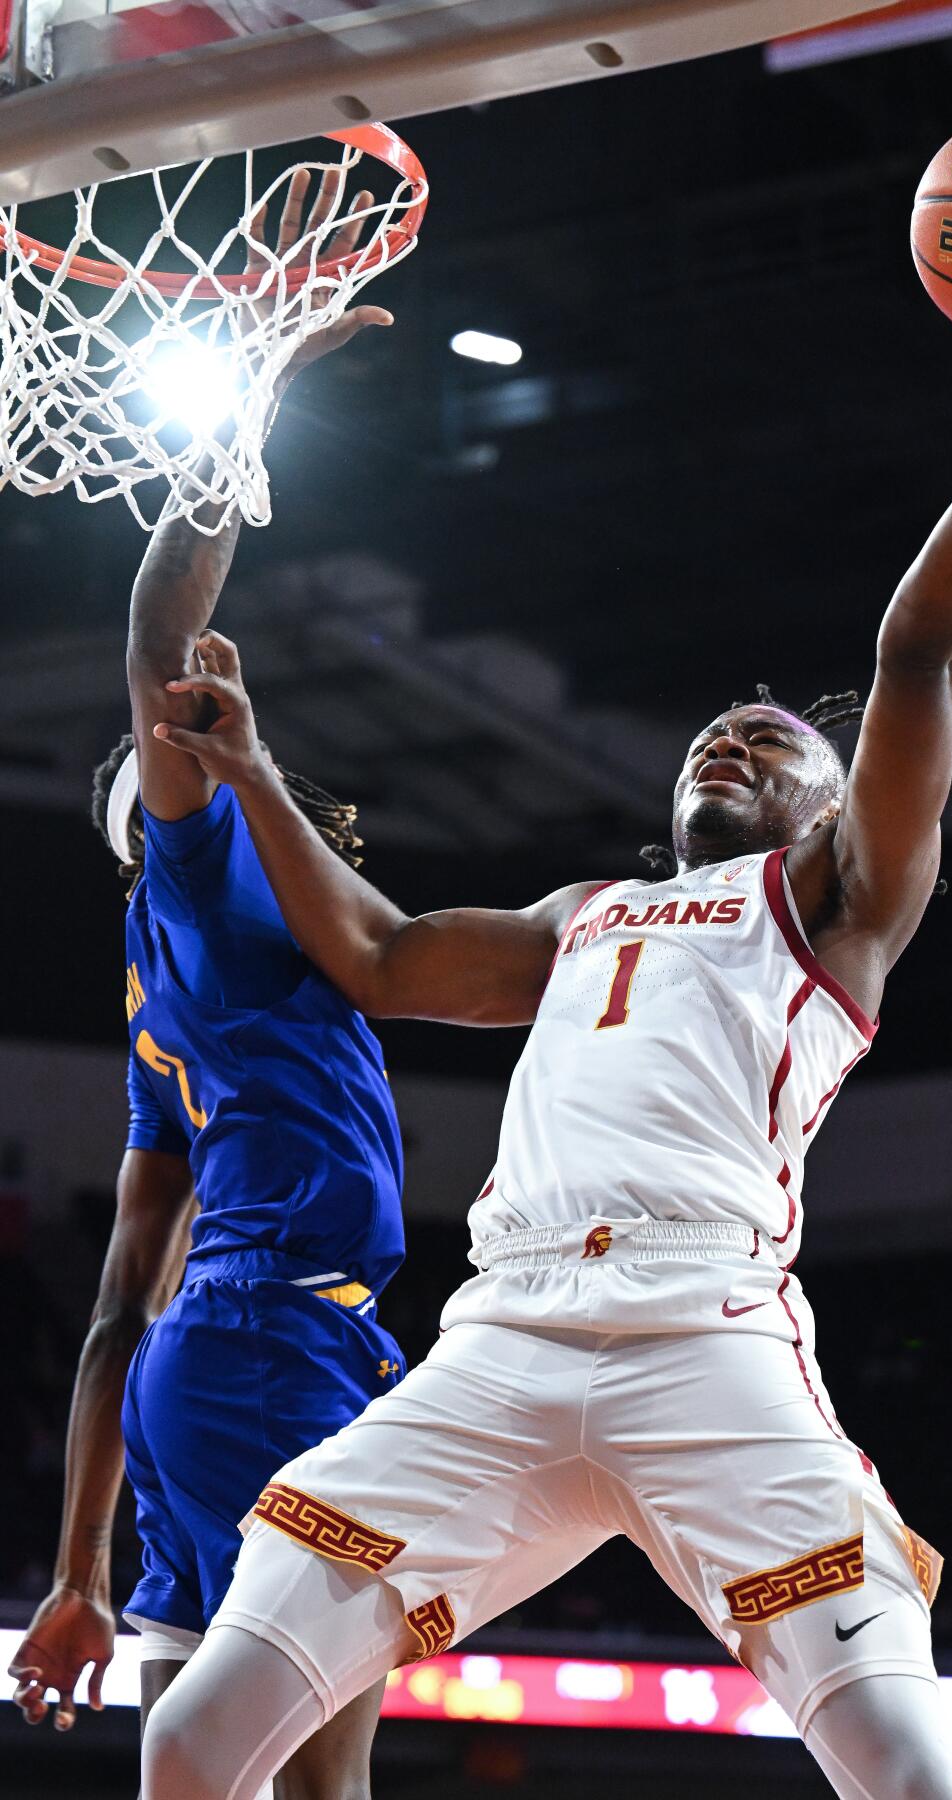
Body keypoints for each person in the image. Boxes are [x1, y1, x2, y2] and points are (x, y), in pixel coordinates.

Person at [137, 223, 952, 1800]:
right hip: (503, 1339)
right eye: (709, 739)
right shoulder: (577, 918)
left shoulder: (832, 902)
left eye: (766, 742)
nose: (727, 746)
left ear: (831, 803)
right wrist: (255, 769)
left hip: (708, 1335)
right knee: (191, 1741)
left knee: (907, 1763)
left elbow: (922, 653)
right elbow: (388, 961)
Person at [7, 172, 410, 1800]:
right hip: (271, 1346)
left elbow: (113, 1318)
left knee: (226, 1775)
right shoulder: (196, 885)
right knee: (322, 1784)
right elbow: (159, 623)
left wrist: (78, 1571)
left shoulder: (172, 1012)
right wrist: (252, 393)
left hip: (216, 1355)